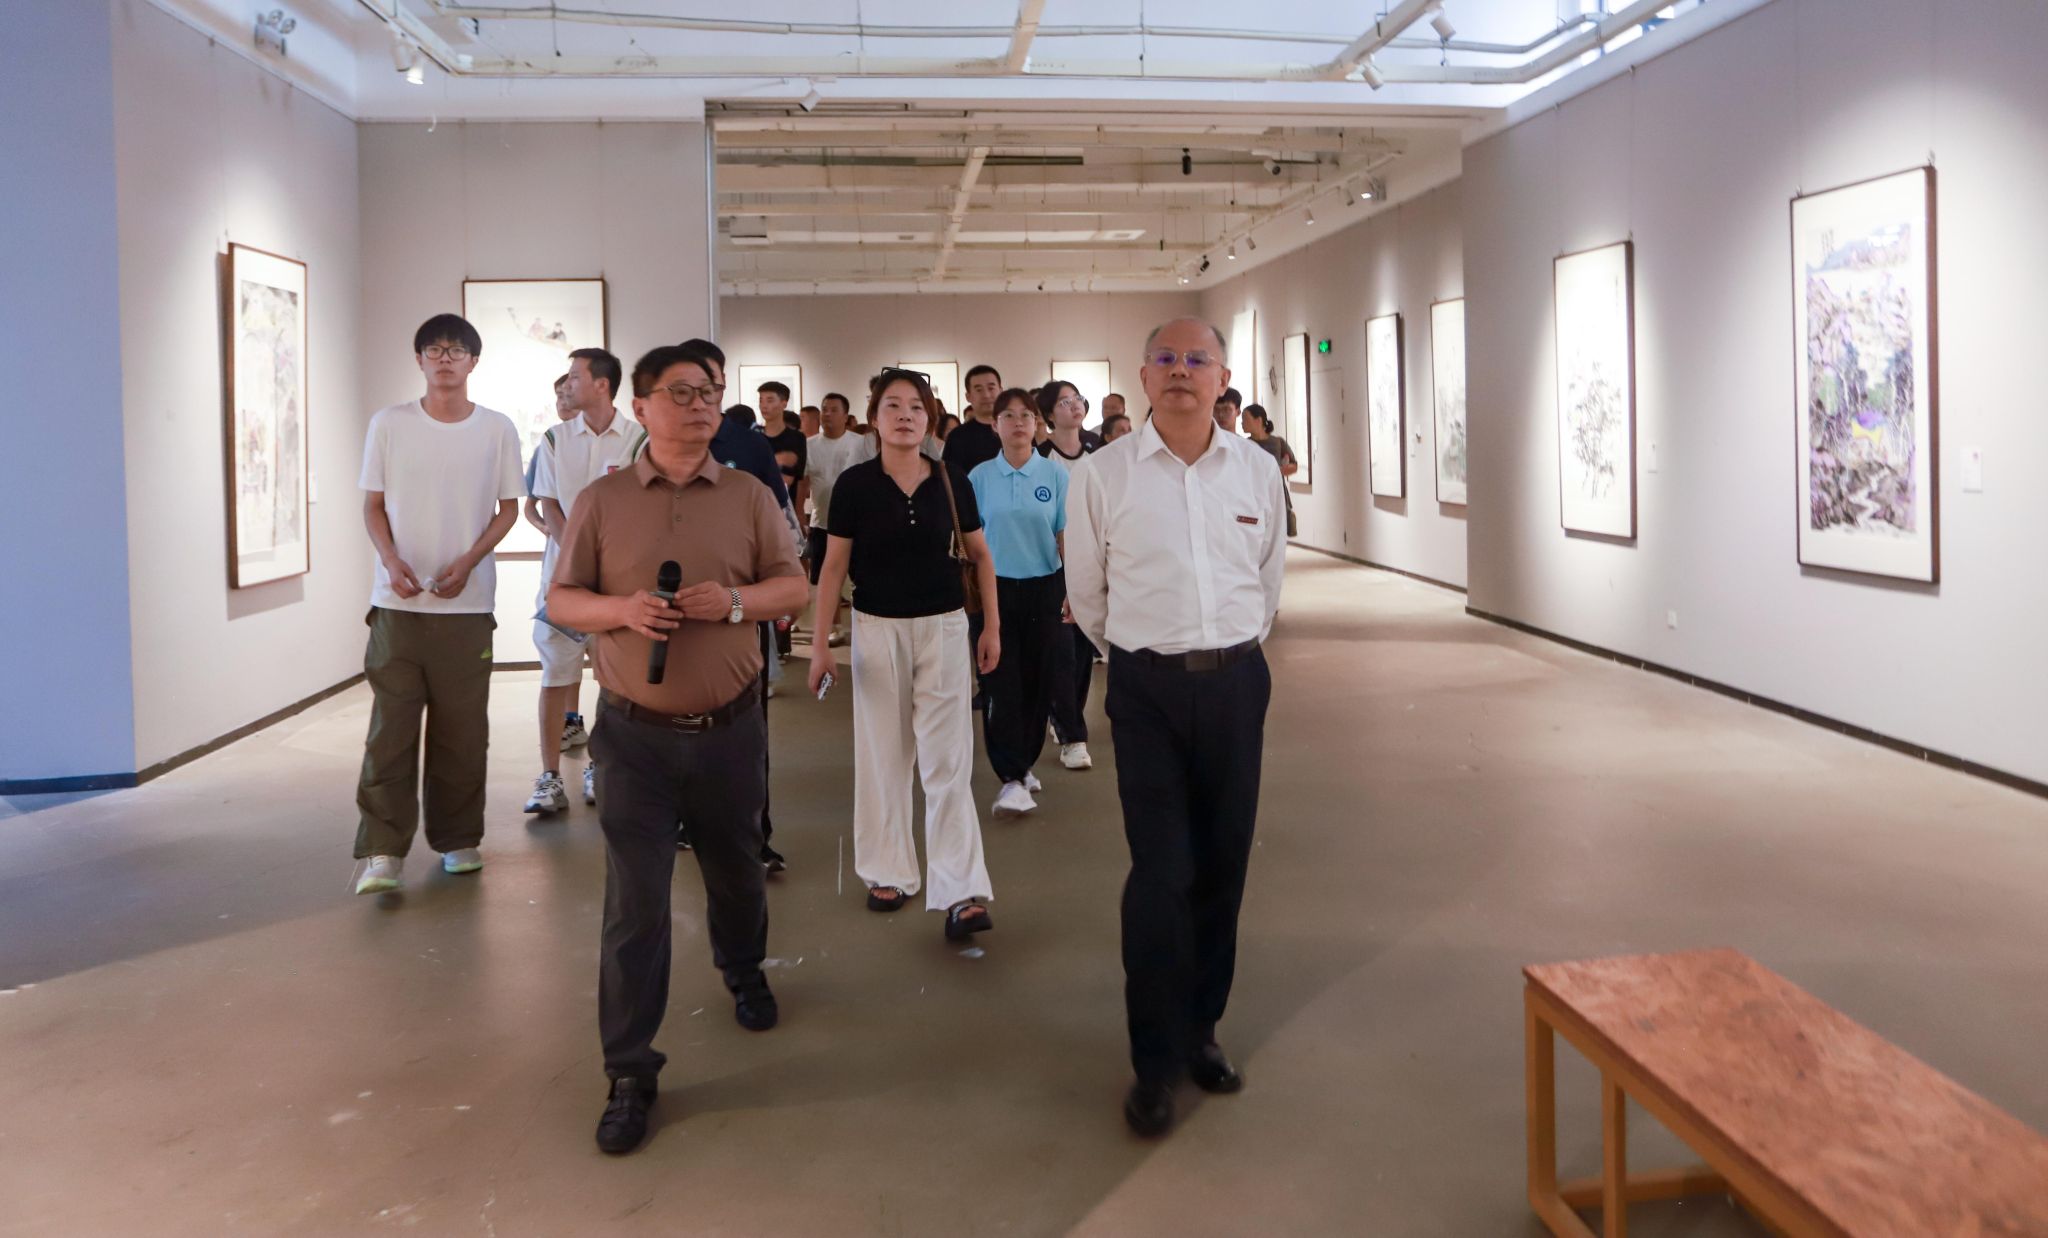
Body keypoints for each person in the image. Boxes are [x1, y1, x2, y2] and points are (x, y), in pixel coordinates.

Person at [547, 343, 809, 1156]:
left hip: (731, 730)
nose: (700, 406)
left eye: (710, 393)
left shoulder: (749, 495)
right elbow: (563, 598)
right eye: (682, 393)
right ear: (642, 407)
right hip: (634, 739)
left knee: (736, 871)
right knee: (636, 905)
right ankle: (630, 1070)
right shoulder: (602, 500)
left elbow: (793, 586)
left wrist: (731, 602)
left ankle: (744, 970)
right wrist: (624, 611)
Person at [1066, 317, 1287, 1138]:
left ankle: (1202, 1032)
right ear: (1143, 375)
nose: (1181, 370)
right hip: (1147, 691)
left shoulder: (1256, 470)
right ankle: (1153, 1061)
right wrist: (1140, 659)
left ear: (1223, 376)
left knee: (1223, 867)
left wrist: (1231, 649)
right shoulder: (1104, 474)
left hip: (1236, 684)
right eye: (1166, 358)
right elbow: (1087, 592)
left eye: (1198, 359)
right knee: (1161, 874)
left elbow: (1267, 579)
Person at [808, 369, 1000, 941]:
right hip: (876, 629)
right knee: (883, 757)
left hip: (944, 628)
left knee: (949, 762)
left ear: (929, 418)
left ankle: (959, 889)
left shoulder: (951, 479)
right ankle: (888, 871)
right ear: (874, 418)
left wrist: (991, 627)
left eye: (916, 406)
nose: (905, 416)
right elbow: (832, 569)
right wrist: (818, 646)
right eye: (892, 406)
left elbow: (981, 555)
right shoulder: (855, 485)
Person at [352, 314, 524, 896]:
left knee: (462, 732)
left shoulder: (496, 428)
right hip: (397, 606)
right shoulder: (389, 423)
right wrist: (390, 560)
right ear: (419, 359)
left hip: (466, 607)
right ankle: (382, 850)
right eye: (433, 349)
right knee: (390, 732)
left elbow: (508, 509)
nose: (444, 358)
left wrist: (469, 560)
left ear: (473, 361)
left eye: (456, 350)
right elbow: (372, 505)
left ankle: (458, 838)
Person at [525, 348, 643, 815]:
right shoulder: (555, 439)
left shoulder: (637, 439)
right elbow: (548, 504)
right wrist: (577, 559)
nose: (567, 383)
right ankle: (549, 776)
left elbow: (640, 509)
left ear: (602, 384)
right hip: (563, 580)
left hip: (617, 583)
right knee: (556, 674)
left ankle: (599, 765)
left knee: (613, 678)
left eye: (575, 376)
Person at [968, 389, 1069, 818]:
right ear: (995, 426)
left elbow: (1064, 534)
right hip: (994, 591)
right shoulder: (979, 477)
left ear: (1037, 424)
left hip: (1044, 588)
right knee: (1000, 683)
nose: (1017, 423)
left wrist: (1072, 589)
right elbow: (970, 544)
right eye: (1007, 416)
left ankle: (1023, 764)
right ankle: (1010, 775)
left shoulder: (1055, 474)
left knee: (1038, 682)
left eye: (1026, 415)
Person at [1034, 382, 1103, 773]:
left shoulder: (1097, 452)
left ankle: (1065, 715)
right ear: (1049, 414)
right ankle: (1073, 735)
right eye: (1064, 402)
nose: (1074, 406)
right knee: (1061, 650)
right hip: (1052, 566)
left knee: (1082, 650)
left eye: (1077, 398)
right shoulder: (1042, 458)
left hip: (1092, 563)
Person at [803, 390, 875, 648]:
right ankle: (834, 627)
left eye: (834, 410)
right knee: (826, 577)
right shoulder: (810, 445)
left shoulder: (860, 443)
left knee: (863, 576)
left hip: (859, 523)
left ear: (846, 416)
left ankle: (866, 623)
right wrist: (801, 514)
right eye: (824, 409)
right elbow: (803, 482)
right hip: (823, 522)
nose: (827, 414)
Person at [756, 382, 808, 664]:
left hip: (784, 514)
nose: (764, 405)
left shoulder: (795, 438)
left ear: (784, 403)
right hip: (757, 514)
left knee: (785, 575)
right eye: (762, 399)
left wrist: (798, 515)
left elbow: (793, 478)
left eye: (770, 399)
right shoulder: (754, 436)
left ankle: (782, 641)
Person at [523, 375, 577, 536]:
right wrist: (545, 527)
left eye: (569, 395)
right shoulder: (547, 446)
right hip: (559, 543)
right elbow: (529, 507)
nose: (563, 402)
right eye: (559, 396)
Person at [1242, 406, 1300, 538]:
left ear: (1258, 420)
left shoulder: (1278, 442)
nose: (1242, 423)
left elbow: (1294, 466)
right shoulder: (1244, 445)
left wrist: (1276, 470)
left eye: (1245, 419)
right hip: (1253, 495)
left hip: (1276, 492)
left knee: (1277, 532)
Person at [940, 364, 1005, 474]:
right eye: (979, 390)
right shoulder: (957, 437)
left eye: (991, 388)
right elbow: (950, 478)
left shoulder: (1015, 430)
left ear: (1001, 391)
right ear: (968, 396)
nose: (986, 395)